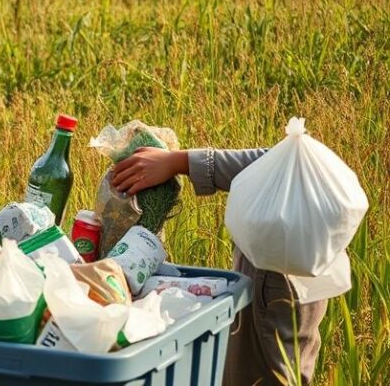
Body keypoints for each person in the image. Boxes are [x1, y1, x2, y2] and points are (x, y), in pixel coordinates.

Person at [111, 147, 328, 386]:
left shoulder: (303, 166)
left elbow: (291, 164)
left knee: (263, 372)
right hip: (287, 269)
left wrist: (178, 162)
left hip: (281, 279)